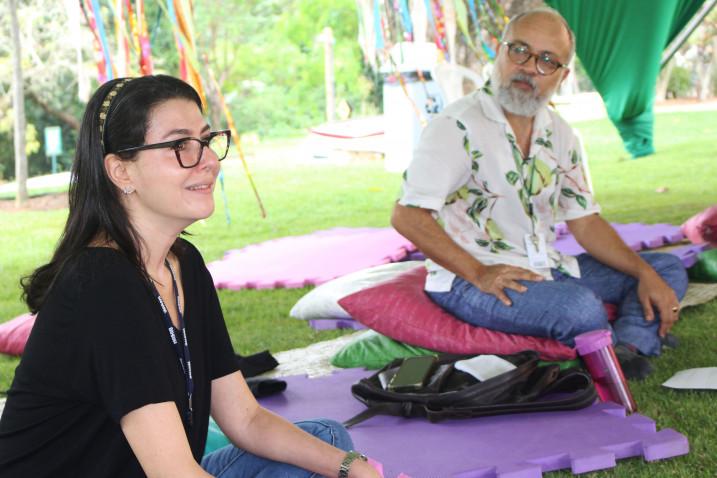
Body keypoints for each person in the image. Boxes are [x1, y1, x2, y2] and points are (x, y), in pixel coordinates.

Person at [0, 75, 379, 478]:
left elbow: (246, 420)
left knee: (330, 443)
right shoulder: (102, 283)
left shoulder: (183, 264)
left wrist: (353, 469)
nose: (209, 160)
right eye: (179, 145)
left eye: (206, 140)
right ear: (121, 172)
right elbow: (175, 474)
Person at [391, 7, 688, 380]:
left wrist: (645, 273)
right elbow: (406, 215)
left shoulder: (561, 134)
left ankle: (626, 347)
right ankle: (627, 342)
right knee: (579, 307)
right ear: (500, 53)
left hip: (545, 268)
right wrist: (479, 272)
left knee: (664, 268)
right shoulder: (456, 126)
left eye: (548, 60)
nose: (530, 67)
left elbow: (585, 221)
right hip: (470, 279)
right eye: (520, 51)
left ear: (562, 76)